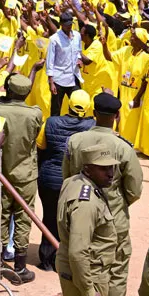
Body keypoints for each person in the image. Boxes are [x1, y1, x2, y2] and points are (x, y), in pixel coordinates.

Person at [64, 92, 143, 296]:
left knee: (80, 264)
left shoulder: (74, 141)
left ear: (93, 113)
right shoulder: (123, 148)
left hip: (79, 215)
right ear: (117, 116)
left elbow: (68, 178)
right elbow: (134, 190)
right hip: (114, 221)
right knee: (116, 272)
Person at [36, 89, 94, 271]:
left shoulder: (51, 122)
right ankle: (67, 261)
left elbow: (40, 146)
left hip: (49, 179)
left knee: (50, 217)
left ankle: (47, 260)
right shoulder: (92, 126)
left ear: (68, 103)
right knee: (72, 221)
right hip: (75, 182)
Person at [0, 73, 42, 284]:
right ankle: (20, 267)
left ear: (8, 90)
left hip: (2, 172)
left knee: (0, 216)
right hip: (26, 175)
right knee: (23, 218)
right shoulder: (35, 114)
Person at [56, 144, 118, 296]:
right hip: (89, 274)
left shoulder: (72, 181)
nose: (110, 173)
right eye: (103, 169)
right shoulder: (87, 203)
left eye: (111, 167)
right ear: (88, 169)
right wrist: (90, 293)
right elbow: (78, 252)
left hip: (77, 271)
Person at [46, 11, 82, 117]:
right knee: (56, 109)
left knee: (78, 104)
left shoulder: (77, 36)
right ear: (61, 24)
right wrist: (51, 82)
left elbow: (78, 51)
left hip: (73, 76)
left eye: (71, 24)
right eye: (67, 25)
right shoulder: (54, 39)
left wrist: (79, 60)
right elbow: (50, 61)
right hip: (59, 79)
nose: (69, 27)